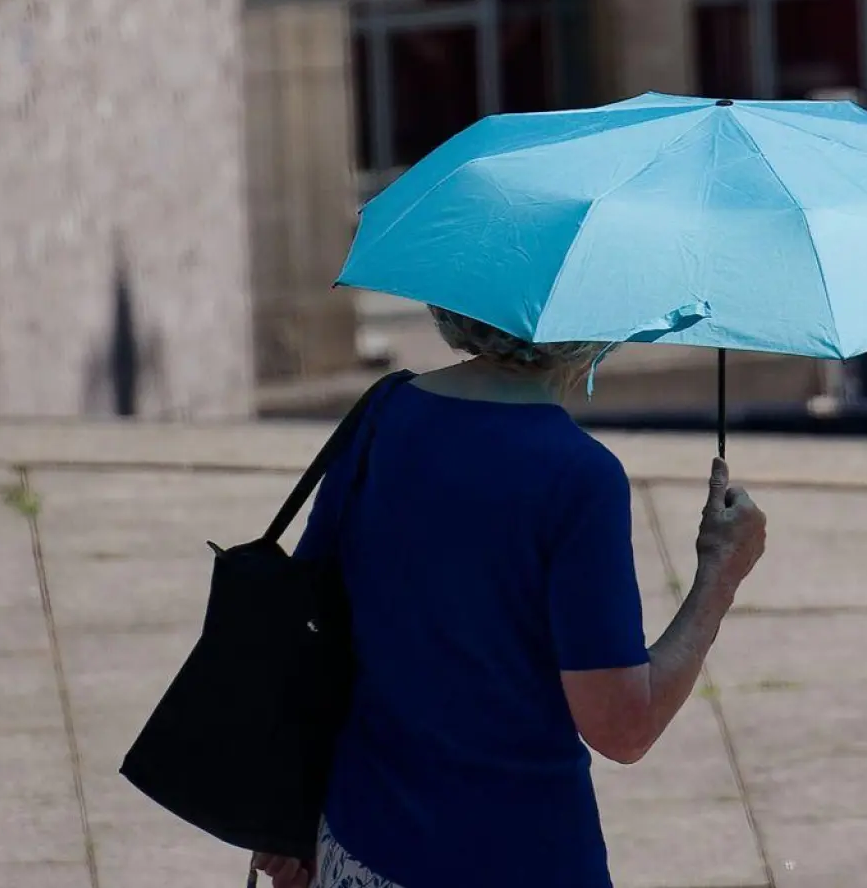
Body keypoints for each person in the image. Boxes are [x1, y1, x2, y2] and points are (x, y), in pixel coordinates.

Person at [253, 306, 769, 888]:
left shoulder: (381, 415)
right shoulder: (577, 476)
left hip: (359, 843)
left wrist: (281, 814)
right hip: (513, 855)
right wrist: (718, 578)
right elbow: (623, 726)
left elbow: (305, 630)